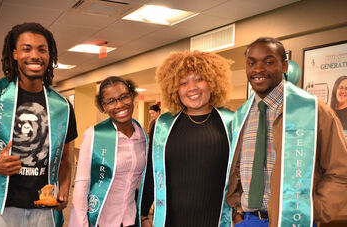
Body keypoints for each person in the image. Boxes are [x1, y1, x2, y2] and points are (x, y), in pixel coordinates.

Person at [0, 22, 77, 227]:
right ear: (14, 54)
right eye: (27, 49)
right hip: (0, 209)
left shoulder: (63, 107)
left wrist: (65, 186)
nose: (35, 55)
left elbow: (66, 158)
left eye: (42, 49)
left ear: (50, 56)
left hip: (45, 209)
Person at [224, 37, 347, 227]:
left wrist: (316, 210)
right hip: (247, 221)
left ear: (284, 66)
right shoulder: (241, 116)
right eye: (251, 63)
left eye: (268, 61)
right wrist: (237, 210)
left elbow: (340, 171)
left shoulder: (313, 111)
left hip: (293, 219)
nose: (258, 69)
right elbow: (237, 170)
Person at [141, 50, 233, 227]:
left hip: (217, 220)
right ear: (174, 88)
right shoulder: (164, 125)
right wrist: (144, 214)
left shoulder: (230, 122)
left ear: (213, 82)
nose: (192, 88)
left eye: (199, 79)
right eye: (183, 83)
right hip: (171, 220)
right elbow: (152, 174)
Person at [69, 76, 148, 227]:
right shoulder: (96, 135)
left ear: (132, 97)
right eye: (111, 101)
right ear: (103, 106)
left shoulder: (143, 137)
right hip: (101, 220)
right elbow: (82, 184)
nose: (119, 105)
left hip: (131, 220)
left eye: (124, 97)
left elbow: (140, 181)